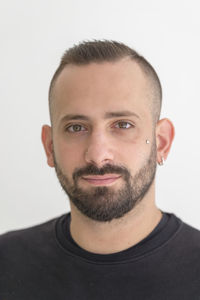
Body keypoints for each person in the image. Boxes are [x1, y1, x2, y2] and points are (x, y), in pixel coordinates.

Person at [0, 40, 200, 300]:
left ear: (161, 142)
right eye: (76, 127)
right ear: (50, 146)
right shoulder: (6, 262)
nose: (97, 154)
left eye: (123, 125)